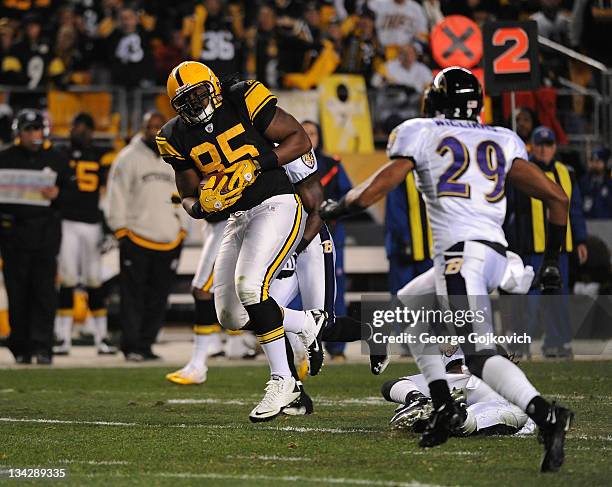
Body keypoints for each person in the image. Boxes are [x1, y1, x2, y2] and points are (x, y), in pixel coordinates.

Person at [320, 67, 574, 473]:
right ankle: (441, 405)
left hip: (460, 257)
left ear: (436, 101)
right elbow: (558, 198)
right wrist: (551, 265)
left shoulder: (421, 131)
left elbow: (379, 187)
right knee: (401, 312)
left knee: (476, 354)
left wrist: (340, 205)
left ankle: (546, 415)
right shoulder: (503, 138)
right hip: (492, 253)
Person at [157, 61, 320, 422]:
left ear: (213, 86)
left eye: (199, 93)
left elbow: (299, 140)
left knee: (250, 286)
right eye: (186, 100)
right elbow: (186, 193)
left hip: (275, 202)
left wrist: (258, 164)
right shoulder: (174, 135)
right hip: (237, 217)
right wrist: (199, 206)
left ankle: (284, 381)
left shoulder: (243, 97)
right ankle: (303, 323)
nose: (196, 103)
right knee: (230, 315)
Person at [105, 111, 186, 361]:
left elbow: (182, 193)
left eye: (158, 127)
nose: (154, 131)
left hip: (169, 239)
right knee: (133, 296)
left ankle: (146, 344)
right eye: (150, 127)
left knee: (158, 297)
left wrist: (182, 228)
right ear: (142, 128)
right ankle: (131, 346)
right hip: (136, 236)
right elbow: (115, 195)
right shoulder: (127, 158)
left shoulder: (174, 157)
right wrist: (120, 229)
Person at [506, 126, 587, 358]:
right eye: (539, 144)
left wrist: (580, 239)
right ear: (532, 145)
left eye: (548, 144)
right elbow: (509, 208)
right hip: (529, 248)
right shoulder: (522, 169)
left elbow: (576, 210)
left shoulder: (566, 172)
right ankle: (519, 344)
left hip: (559, 249)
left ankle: (557, 343)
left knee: (558, 301)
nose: (543, 149)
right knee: (527, 302)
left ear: (554, 147)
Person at [0, 109, 68, 364]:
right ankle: (20, 346)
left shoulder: (57, 158)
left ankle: (42, 346)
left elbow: (73, 197)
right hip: (13, 234)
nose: (33, 134)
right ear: (20, 132)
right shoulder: (4, 158)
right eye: (28, 129)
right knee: (18, 293)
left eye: (36, 128)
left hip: (45, 233)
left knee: (44, 292)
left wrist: (58, 195)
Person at [53, 112, 116, 356]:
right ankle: (63, 338)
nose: (78, 132)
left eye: (83, 128)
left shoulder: (101, 154)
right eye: (75, 127)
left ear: (91, 131)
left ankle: (102, 338)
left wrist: (108, 226)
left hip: (91, 224)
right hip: (67, 222)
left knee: (93, 281)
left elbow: (110, 190)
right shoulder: (60, 154)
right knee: (67, 280)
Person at [302, 120, 352, 360]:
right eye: (304, 133)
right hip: (298, 236)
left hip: (330, 235)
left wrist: (333, 212)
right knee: (299, 290)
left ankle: (337, 349)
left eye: (312, 132)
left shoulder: (332, 164)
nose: (309, 137)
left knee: (334, 290)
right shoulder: (288, 164)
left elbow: (347, 197)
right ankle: (303, 347)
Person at [579, 146, 612, 219]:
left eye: (598, 161)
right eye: (592, 161)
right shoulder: (583, 182)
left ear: (605, 163)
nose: (594, 164)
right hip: (587, 223)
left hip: (607, 225)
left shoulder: (610, 183)